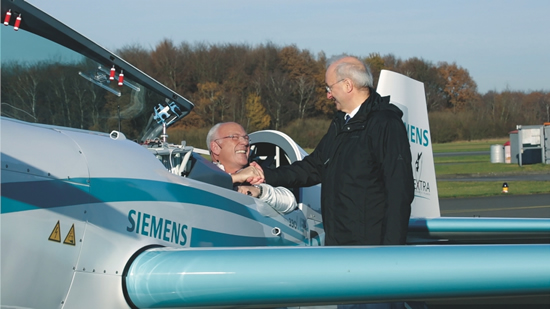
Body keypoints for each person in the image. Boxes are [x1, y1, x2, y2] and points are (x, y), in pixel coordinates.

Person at [253, 55, 414, 246]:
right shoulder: (341, 123)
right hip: (338, 245)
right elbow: (313, 167)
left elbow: (399, 191)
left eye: (330, 88)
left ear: (347, 85)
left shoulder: (385, 123)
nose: (328, 95)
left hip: (369, 249)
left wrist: (391, 252)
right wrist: (264, 175)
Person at [207, 122, 296, 214]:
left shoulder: (256, 174)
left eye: (246, 138)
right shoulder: (199, 172)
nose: (245, 142)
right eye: (234, 137)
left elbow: (290, 202)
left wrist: (259, 191)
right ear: (215, 147)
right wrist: (234, 178)